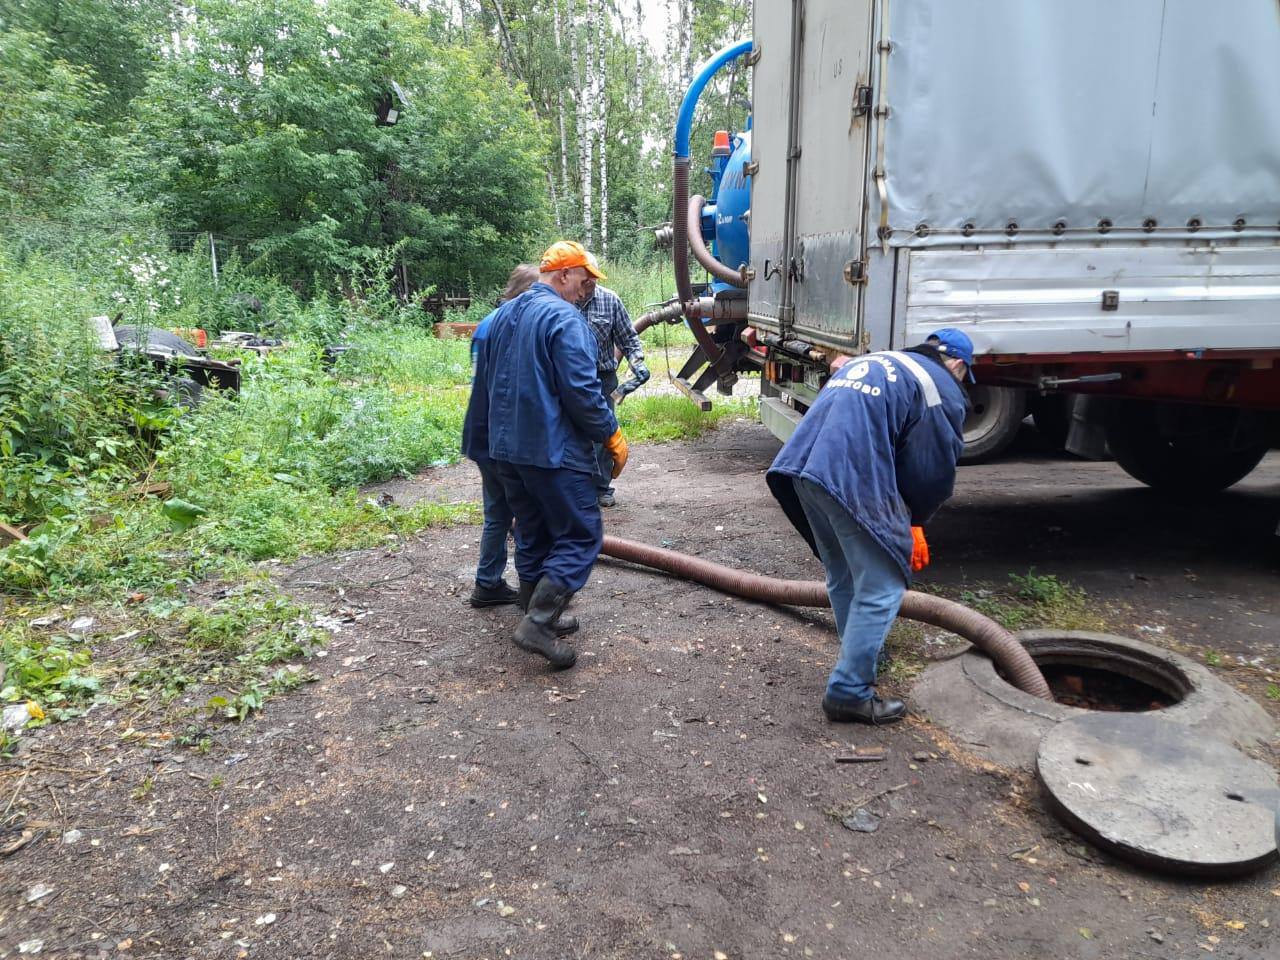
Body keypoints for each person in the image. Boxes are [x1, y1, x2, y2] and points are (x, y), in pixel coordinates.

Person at [766, 328, 975, 725]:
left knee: (844, 574)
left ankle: (862, 653)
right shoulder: (939, 386)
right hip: (847, 476)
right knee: (883, 585)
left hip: (803, 469)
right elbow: (931, 468)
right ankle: (849, 692)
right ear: (959, 366)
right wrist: (915, 522)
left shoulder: (882, 361)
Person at [462, 240, 629, 669]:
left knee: (533, 530)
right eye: (583, 277)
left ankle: (533, 609)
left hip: (507, 452)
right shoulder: (562, 317)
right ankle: (537, 622)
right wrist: (610, 434)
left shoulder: (500, 318)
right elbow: (582, 391)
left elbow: (486, 387)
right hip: (550, 449)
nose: (588, 287)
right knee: (580, 533)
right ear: (561, 275)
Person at [467, 263, 540, 608]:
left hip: (484, 433)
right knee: (525, 511)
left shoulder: (488, 324)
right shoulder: (507, 326)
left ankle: (488, 582)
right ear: (528, 292)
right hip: (501, 436)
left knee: (498, 511)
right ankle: (533, 595)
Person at [578, 265, 648, 507]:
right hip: (570, 377)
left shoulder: (610, 300)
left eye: (594, 280)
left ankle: (601, 487)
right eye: (586, 280)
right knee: (571, 431)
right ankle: (575, 486)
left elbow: (628, 338)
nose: (590, 285)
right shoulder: (561, 302)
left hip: (603, 377)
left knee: (603, 430)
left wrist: (637, 363)